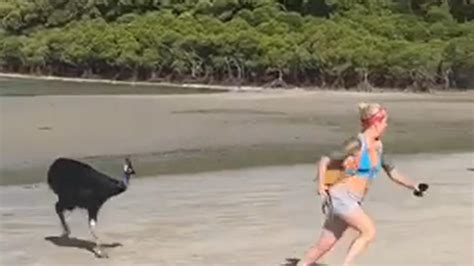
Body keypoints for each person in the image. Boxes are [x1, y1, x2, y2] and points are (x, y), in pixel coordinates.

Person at [302, 102, 429, 266]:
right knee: (368, 231)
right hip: (342, 197)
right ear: (376, 123)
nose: (386, 125)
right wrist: (320, 185)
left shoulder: (379, 147)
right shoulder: (356, 143)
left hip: (352, 200)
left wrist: (414, 185)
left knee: (325, 244)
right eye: (384, 122)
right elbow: (325, 159)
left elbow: (393, 172)